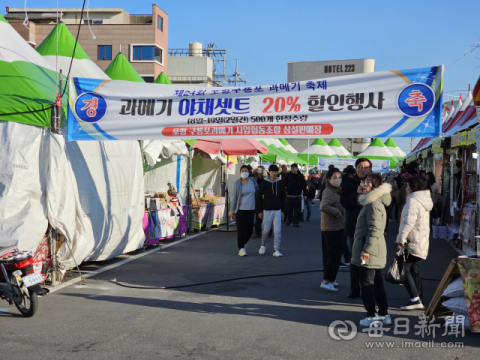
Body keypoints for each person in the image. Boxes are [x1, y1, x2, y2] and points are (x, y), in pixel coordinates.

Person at [351, 173, 392, 326]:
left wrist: (366, 249)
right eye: (364, 181)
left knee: (367, 285)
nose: (364, 184)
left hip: (370, 251)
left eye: (367, 182)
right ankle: (383, 314)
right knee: (376, 282)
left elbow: (375, 229)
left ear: (375, 186)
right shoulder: (372, 202)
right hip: (374, 250)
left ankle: (371, 316)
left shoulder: (373, 204)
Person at [396, 176, 433, 310]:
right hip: (421, 241)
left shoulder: (412, 201)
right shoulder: (423, 200)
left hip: (413, 241)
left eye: (407, 186)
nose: (405, 189)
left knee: (404, 270)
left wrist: (400, 239)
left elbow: (408, 223)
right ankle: (419, 297)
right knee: (414, 270)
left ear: (413, 187)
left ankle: (415, 299)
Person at [340, 158, 372, 299]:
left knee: (371, 260)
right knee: (355, 260)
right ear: (356, 168)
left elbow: (385, 207)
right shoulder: (348, 184)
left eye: (366, 167)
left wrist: (385, 228)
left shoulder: (376, 183)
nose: (363, 169)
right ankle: (355, 288)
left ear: (370, 168)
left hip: (372, 227)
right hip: (354, 227)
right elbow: (345, 203)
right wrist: (357, 194)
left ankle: (369, 287)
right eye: (360, 166)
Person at [320, 168, 345, 292]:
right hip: (331, 228)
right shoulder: (329, 191)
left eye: (339, 176)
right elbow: (323, 206)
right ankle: (326, 280)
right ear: (329, 179)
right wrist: (337, 212)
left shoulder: (336, 191)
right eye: (335, 177)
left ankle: (331, 279)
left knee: (333, 255)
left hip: (336, 227)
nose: (338, 179)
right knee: (333, 255)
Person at [229, 165, 259, 256]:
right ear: (240, 172)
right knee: (241, 230)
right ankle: (241, 248)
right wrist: (232, 210)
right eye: (242, 171)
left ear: (249, 172)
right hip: (240, 210)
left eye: (246, 170)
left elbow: (257, 192)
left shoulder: (253, 182)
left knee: (249, 230)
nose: (244, 172)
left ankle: (243, 242)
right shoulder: (237, 183)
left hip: (251, 209)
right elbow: (234, 197)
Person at [257, 164, 286, 257]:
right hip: (266, 210)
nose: (274, 173)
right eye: (272, 172)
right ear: (269, 172)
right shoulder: (264, 183)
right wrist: (259, 211)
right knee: (265, 230)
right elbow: (258, 198)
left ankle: (276, 249)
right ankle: (263, 245)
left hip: (277, 210)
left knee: (277, 231)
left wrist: (283, 210)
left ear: (278, 172)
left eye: (275, 172)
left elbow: (283, 197)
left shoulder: (281, 183)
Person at [253, 166, 268, 239]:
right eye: (258, 173)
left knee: (267, 217)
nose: (259, 174)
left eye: (260, 173)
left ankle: (269, 232)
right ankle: (258, 233)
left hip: (266, 200)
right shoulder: (255, 179)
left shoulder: (266, 180)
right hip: (257, 199)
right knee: (258, 217)